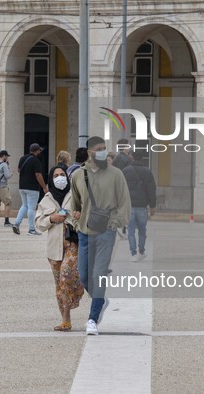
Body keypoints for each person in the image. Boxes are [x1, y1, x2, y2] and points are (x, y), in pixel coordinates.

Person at [70, 136, 131, 335]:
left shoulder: (116, 174)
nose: (103, 151)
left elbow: (124, 202)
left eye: (105, 148)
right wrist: (77, 219)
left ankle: (92, 319)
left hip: (106, 231)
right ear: (89, 152)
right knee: (84, 274)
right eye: (99, 148)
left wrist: (115, 224)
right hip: (85, 231)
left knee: (99, 274)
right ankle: (100, 300)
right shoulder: (79, 175)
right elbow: (75, 204)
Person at [35, 166, 84, 332]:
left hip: (72, 243)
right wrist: (51, 218)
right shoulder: (46, 199)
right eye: (56, 175)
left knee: (66, 274)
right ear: (51, 179)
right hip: (54, 248)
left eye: (62, 174)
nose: (59, 178)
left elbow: (86, 213)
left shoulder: (74, 195)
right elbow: (38, 224)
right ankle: (65, 320)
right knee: (59, 284)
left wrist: (78, 216)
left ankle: (78, 290)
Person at [123, 149, 156, 261]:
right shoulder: (147, 171)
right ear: (142, 158)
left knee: (130, 231)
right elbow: (151, 190)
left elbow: (121, 189)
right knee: (142, 230)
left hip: (129, 206)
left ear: (132, 157)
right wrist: (152, 206)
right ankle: (141, 251)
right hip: (142, 206)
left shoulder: (125, 171)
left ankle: (133, 253)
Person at [11, 143, 48, 236]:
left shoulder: (22, 158)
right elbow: (38, 175)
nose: (40, 151)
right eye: (39, 150)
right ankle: (31, 229)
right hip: (32, 187)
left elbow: (19, 170)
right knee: (31, 208)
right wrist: (44, 187)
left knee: (24, 205)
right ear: (37, 151)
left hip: (22, 186)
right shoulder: (36, 161)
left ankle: (16, 223)